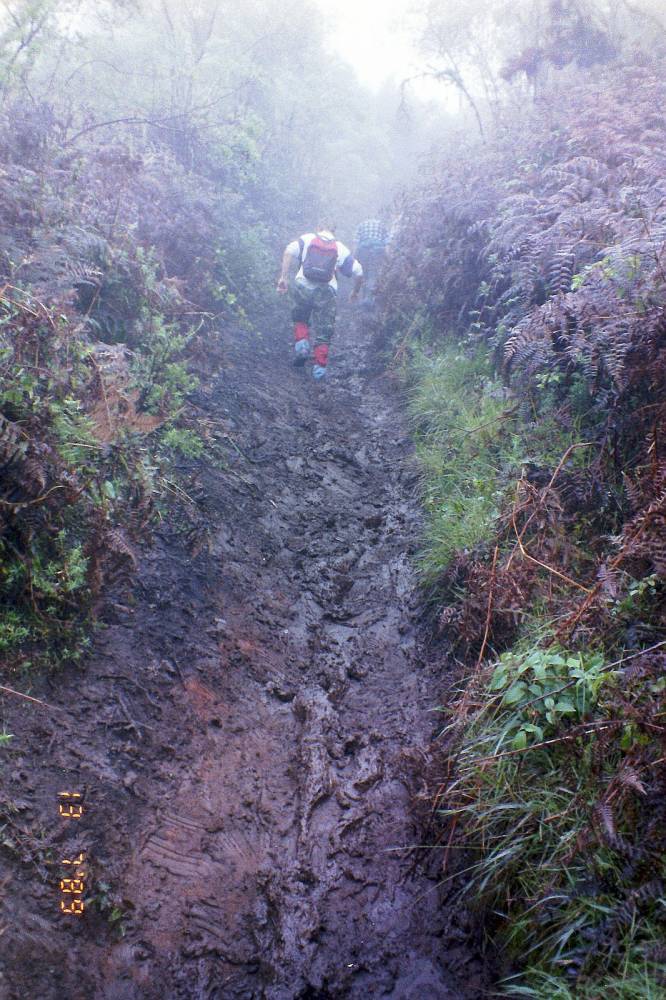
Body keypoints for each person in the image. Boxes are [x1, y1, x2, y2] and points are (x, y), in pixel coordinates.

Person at [277, 225, 363, 379]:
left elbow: (288, 251)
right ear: (334, 231)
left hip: (303, 285)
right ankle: (319, 371)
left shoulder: (308, 239)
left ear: (319, 228)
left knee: (300, 316)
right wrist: (355, 292)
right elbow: (359, 271)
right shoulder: (340, 248)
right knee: (324, 330)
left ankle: (302, 346)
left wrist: (283, 277)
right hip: (326, 291)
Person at [353, 218, 390, 308]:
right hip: (378, 251)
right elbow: (387, 242)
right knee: (373, 274)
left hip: (364, 251)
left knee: (364, 274)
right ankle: (369, 299)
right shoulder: (381, 224)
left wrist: (354, 257)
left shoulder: (361, 225)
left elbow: (356, 242)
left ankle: (364, 298)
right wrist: (387, 257)